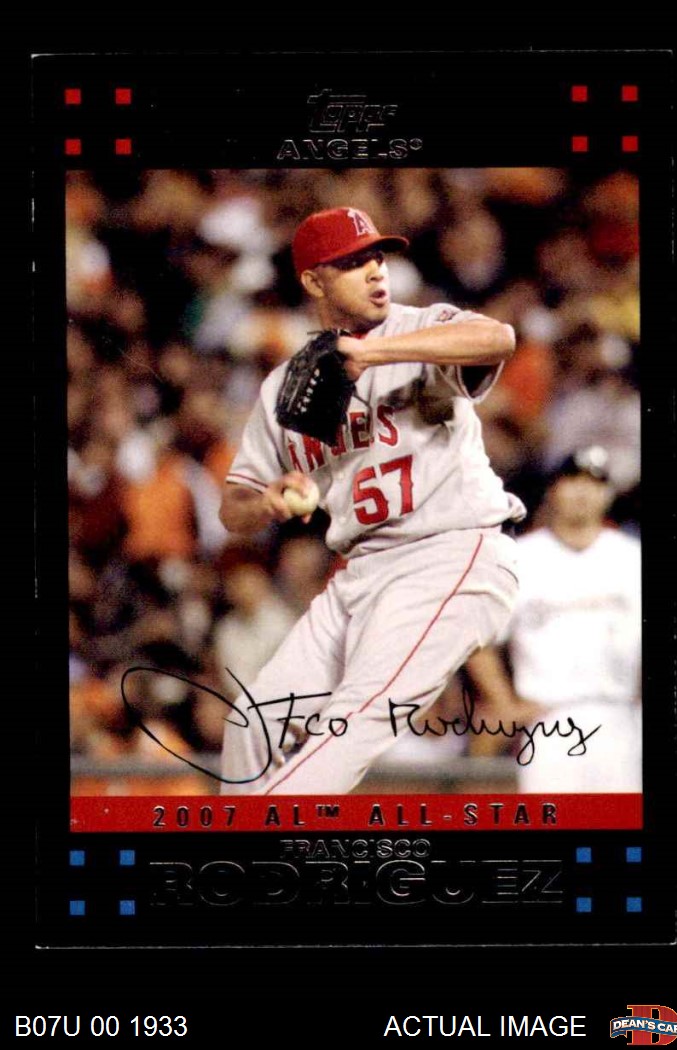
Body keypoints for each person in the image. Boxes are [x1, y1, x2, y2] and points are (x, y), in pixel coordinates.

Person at [218, 206, 525, 795]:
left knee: (358, 718)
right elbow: (235, 505)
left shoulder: (422, 327)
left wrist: (375, 355)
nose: (375, 271)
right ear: (313, 281)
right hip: (360, 571)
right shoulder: (283, 385)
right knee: (252, 723)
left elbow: (498, 338)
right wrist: (268, 502)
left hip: (451, 551)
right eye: (352, 263)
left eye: (377, 257)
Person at [469, 445, 641, 792]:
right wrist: (505, 703)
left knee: (621, 821)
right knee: (555, 819)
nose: (583, 492)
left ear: (608, 494)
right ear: (553, 490)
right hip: (549, 720)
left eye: (594, 483)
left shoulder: (631, 557)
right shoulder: (520, 558)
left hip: (621, 717)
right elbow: (476, 640)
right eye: (573, 480)